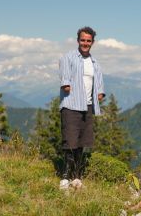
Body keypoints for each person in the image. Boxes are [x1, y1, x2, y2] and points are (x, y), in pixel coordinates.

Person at [59, 26, 105, 185]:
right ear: (78, 40)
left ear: (93, 42)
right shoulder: (69, 57)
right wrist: (66, 84)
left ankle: (77, 176)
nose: (85, 43)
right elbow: (65, 78)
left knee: (82, 143)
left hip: (88, 105)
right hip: (71, 105)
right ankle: (65, 177)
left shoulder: (95, 63)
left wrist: (100, 93)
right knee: (69, 142)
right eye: (83, 40)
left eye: (88, 41)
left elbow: (98, 83)